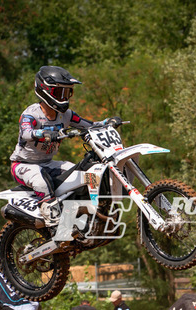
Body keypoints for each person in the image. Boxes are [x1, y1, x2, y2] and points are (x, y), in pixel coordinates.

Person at [9, 65, 122, 227]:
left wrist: (107, 122)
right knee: (41, 182)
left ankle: (82, 213)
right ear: (45, 91)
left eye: (67, 93)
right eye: (59, 93)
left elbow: (89, 125)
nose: (64, 98)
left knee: (82, 175)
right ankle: (55, 225)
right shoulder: (31, 114)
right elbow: (26, 132)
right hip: (22, 165)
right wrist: (44, 133)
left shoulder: (66, 115)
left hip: (48, 163)